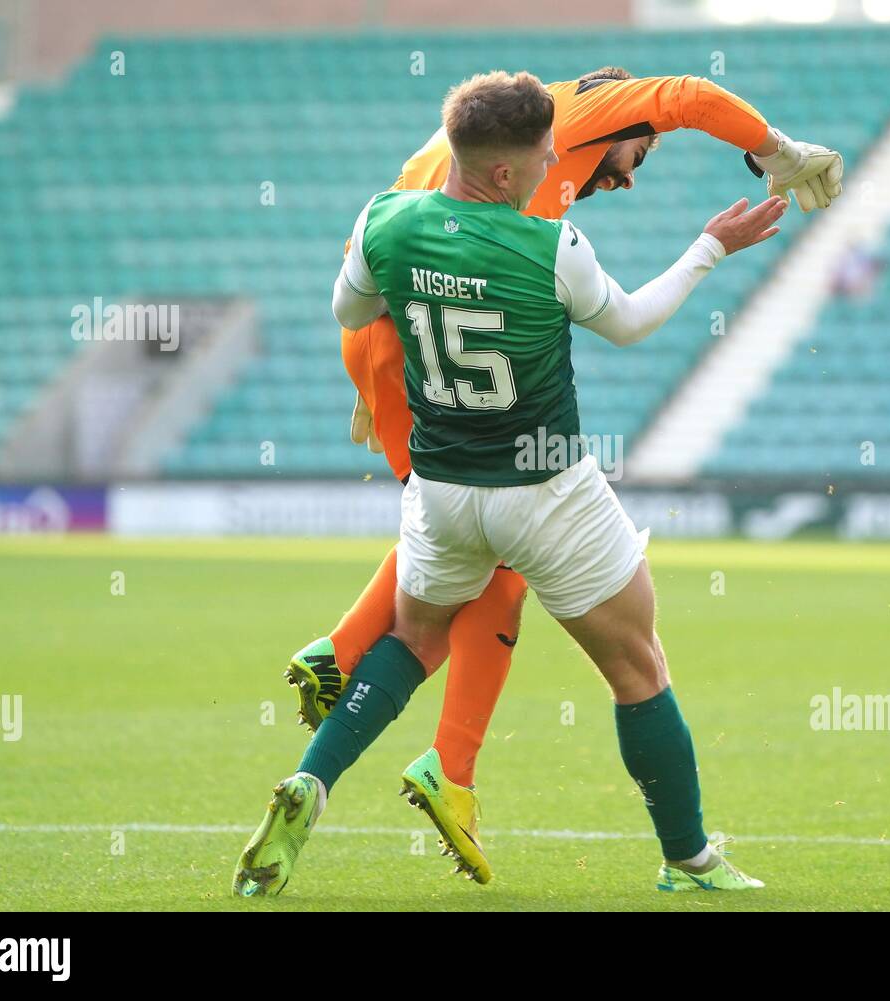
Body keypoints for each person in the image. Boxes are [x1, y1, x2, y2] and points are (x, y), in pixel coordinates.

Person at [233, 69, 834, 896]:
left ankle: (311, 779)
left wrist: (384, 368)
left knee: (411, 642)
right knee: (639, 669)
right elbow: (630, 323)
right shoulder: (554, 247)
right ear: (508, 172)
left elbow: (349, 312)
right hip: (547, 491)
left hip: (441, 494)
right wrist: (711, 248)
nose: (566, 169)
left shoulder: (383, 220)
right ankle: (689, 857)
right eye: (548, 157)